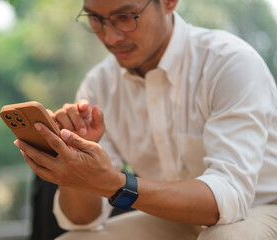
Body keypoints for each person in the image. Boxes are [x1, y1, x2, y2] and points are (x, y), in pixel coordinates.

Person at [14, 0, 277, 239]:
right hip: (174, 218)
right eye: (96, 19)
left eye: (126, 16)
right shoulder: (99, 85)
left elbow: (229, 198)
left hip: (262, 207)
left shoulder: (228, 62)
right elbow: (82, 222)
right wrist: (75, 170)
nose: (111, 37)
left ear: (169, 3)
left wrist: (116, 184)